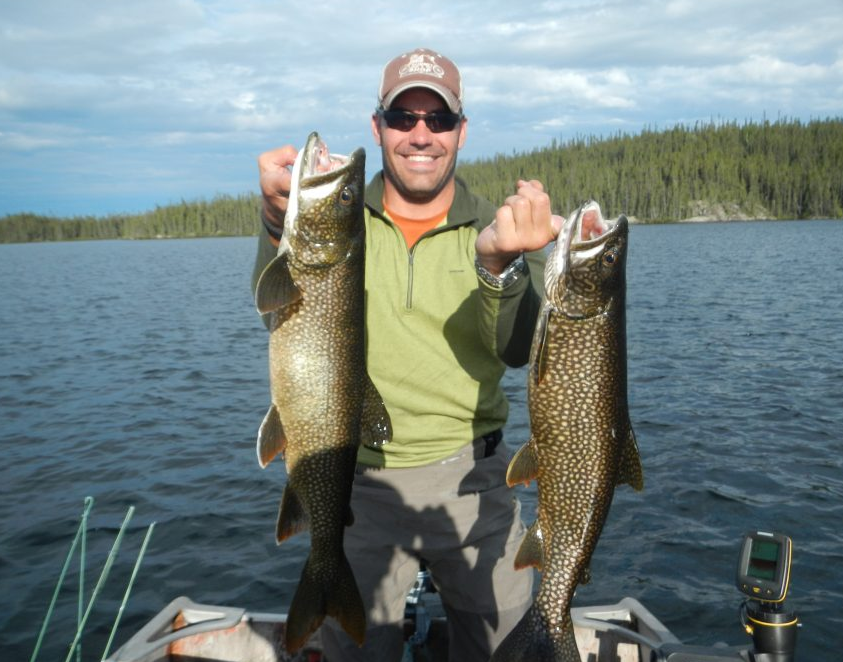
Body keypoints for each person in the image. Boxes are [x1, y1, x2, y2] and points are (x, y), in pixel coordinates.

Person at [252, 48, 563, 661]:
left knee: (511, 649)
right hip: (356, 481)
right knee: (353, 650)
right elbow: (274, 304)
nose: (420, 134)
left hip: (477, 479)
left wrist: (501, 267)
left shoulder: (495, 230)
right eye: (403, 116)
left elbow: (520, 348)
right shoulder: (340, 224)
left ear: (461, 132)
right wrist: (273, 220)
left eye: (438, 119)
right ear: (378, 127)